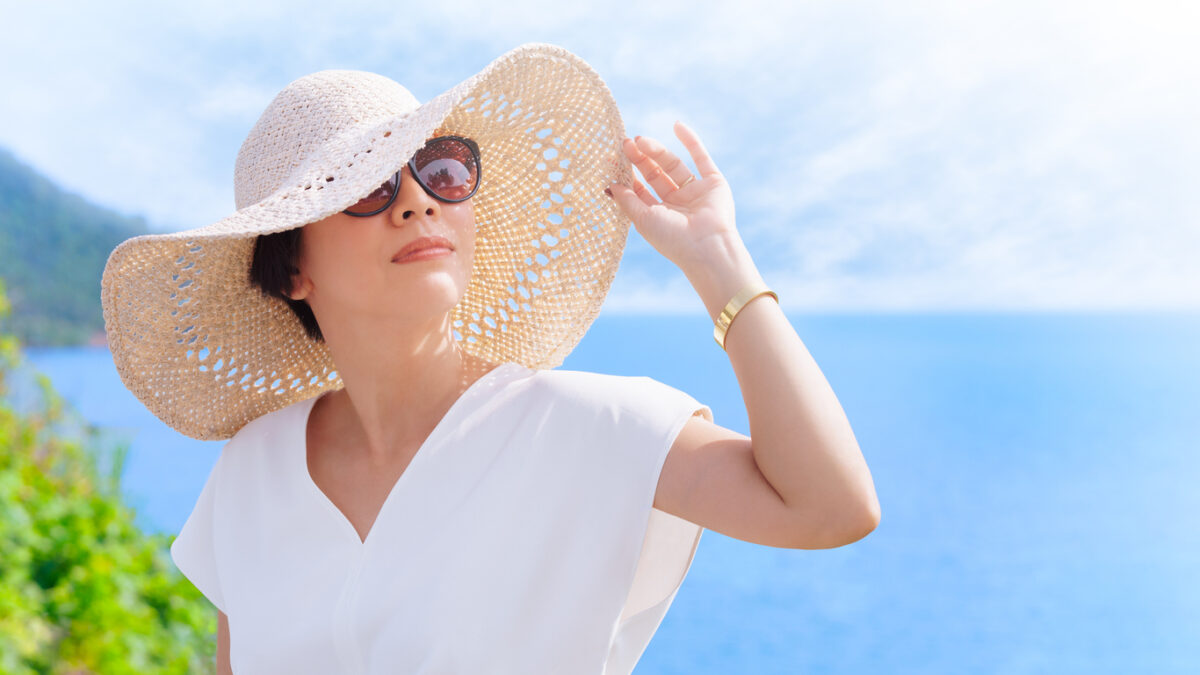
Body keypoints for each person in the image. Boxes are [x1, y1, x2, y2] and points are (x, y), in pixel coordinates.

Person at [101, 42, 879, 674]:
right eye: (367, 186)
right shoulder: (255, 469)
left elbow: (831, 507)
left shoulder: (586, 426)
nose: (418, 200)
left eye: (438, 169)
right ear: (292, 267)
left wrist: (720, 262)